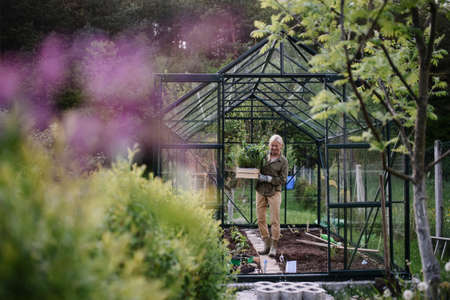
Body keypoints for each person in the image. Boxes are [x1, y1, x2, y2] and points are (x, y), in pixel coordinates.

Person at [256, 134, 288, 257]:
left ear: (281, 147)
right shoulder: (263, 157)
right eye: (272, 145)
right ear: (269, 145)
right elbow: (256, 168)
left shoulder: (283, 161)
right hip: (261, 190)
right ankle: (266, 243)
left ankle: (274, 246)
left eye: (276, 146)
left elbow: (283, 179)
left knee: (274, 219)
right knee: (260, 218)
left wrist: (268, 178)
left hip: (274, 191)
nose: (274, 148)